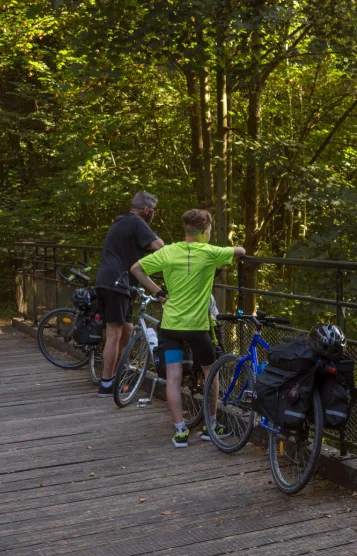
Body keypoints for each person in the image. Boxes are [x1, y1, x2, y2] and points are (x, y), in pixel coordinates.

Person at [131, 208, 246, 448]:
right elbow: (241, 251)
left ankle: (181, 431)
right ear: (205, 231)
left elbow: (136, 269)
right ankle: (210, 426)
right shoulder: (211, 252)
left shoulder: (169, 252)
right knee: (210, 372)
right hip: (197, 327)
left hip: (171, 325)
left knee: (173, 378)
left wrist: (159, 292)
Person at [94, 191, 164, 397]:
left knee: (127, 329)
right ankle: (106, 383)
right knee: (114, 333)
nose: (154, 215)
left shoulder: (120, 221)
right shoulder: (136, 222)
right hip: (117, 283)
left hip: (110, 281)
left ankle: (115, 375)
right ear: (146, 210)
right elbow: (159, 246)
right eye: (153, 212)